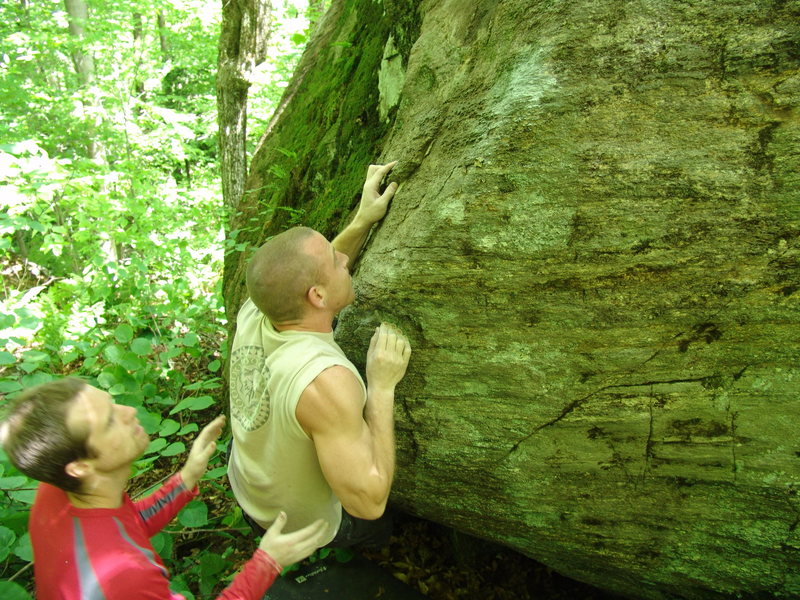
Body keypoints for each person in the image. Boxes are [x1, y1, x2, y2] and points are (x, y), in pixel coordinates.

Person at [0, 377, 329, 600]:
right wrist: (268, 561)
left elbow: (124, 527)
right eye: (109, 422)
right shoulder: (126, 578)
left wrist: (186, 479)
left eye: (113, 403)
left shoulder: (57, 492)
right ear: (80, 466)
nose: (129, 412)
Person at [227, 160, 412, 549]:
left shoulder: (258, 308)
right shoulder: (323, 381)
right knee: (379, 526)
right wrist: (380, 388)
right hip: (292, 526)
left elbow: (305, 277)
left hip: (248, 484)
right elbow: (369, 501)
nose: (344, 260)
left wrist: (363, 221)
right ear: (318, 298)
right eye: (335, 262)